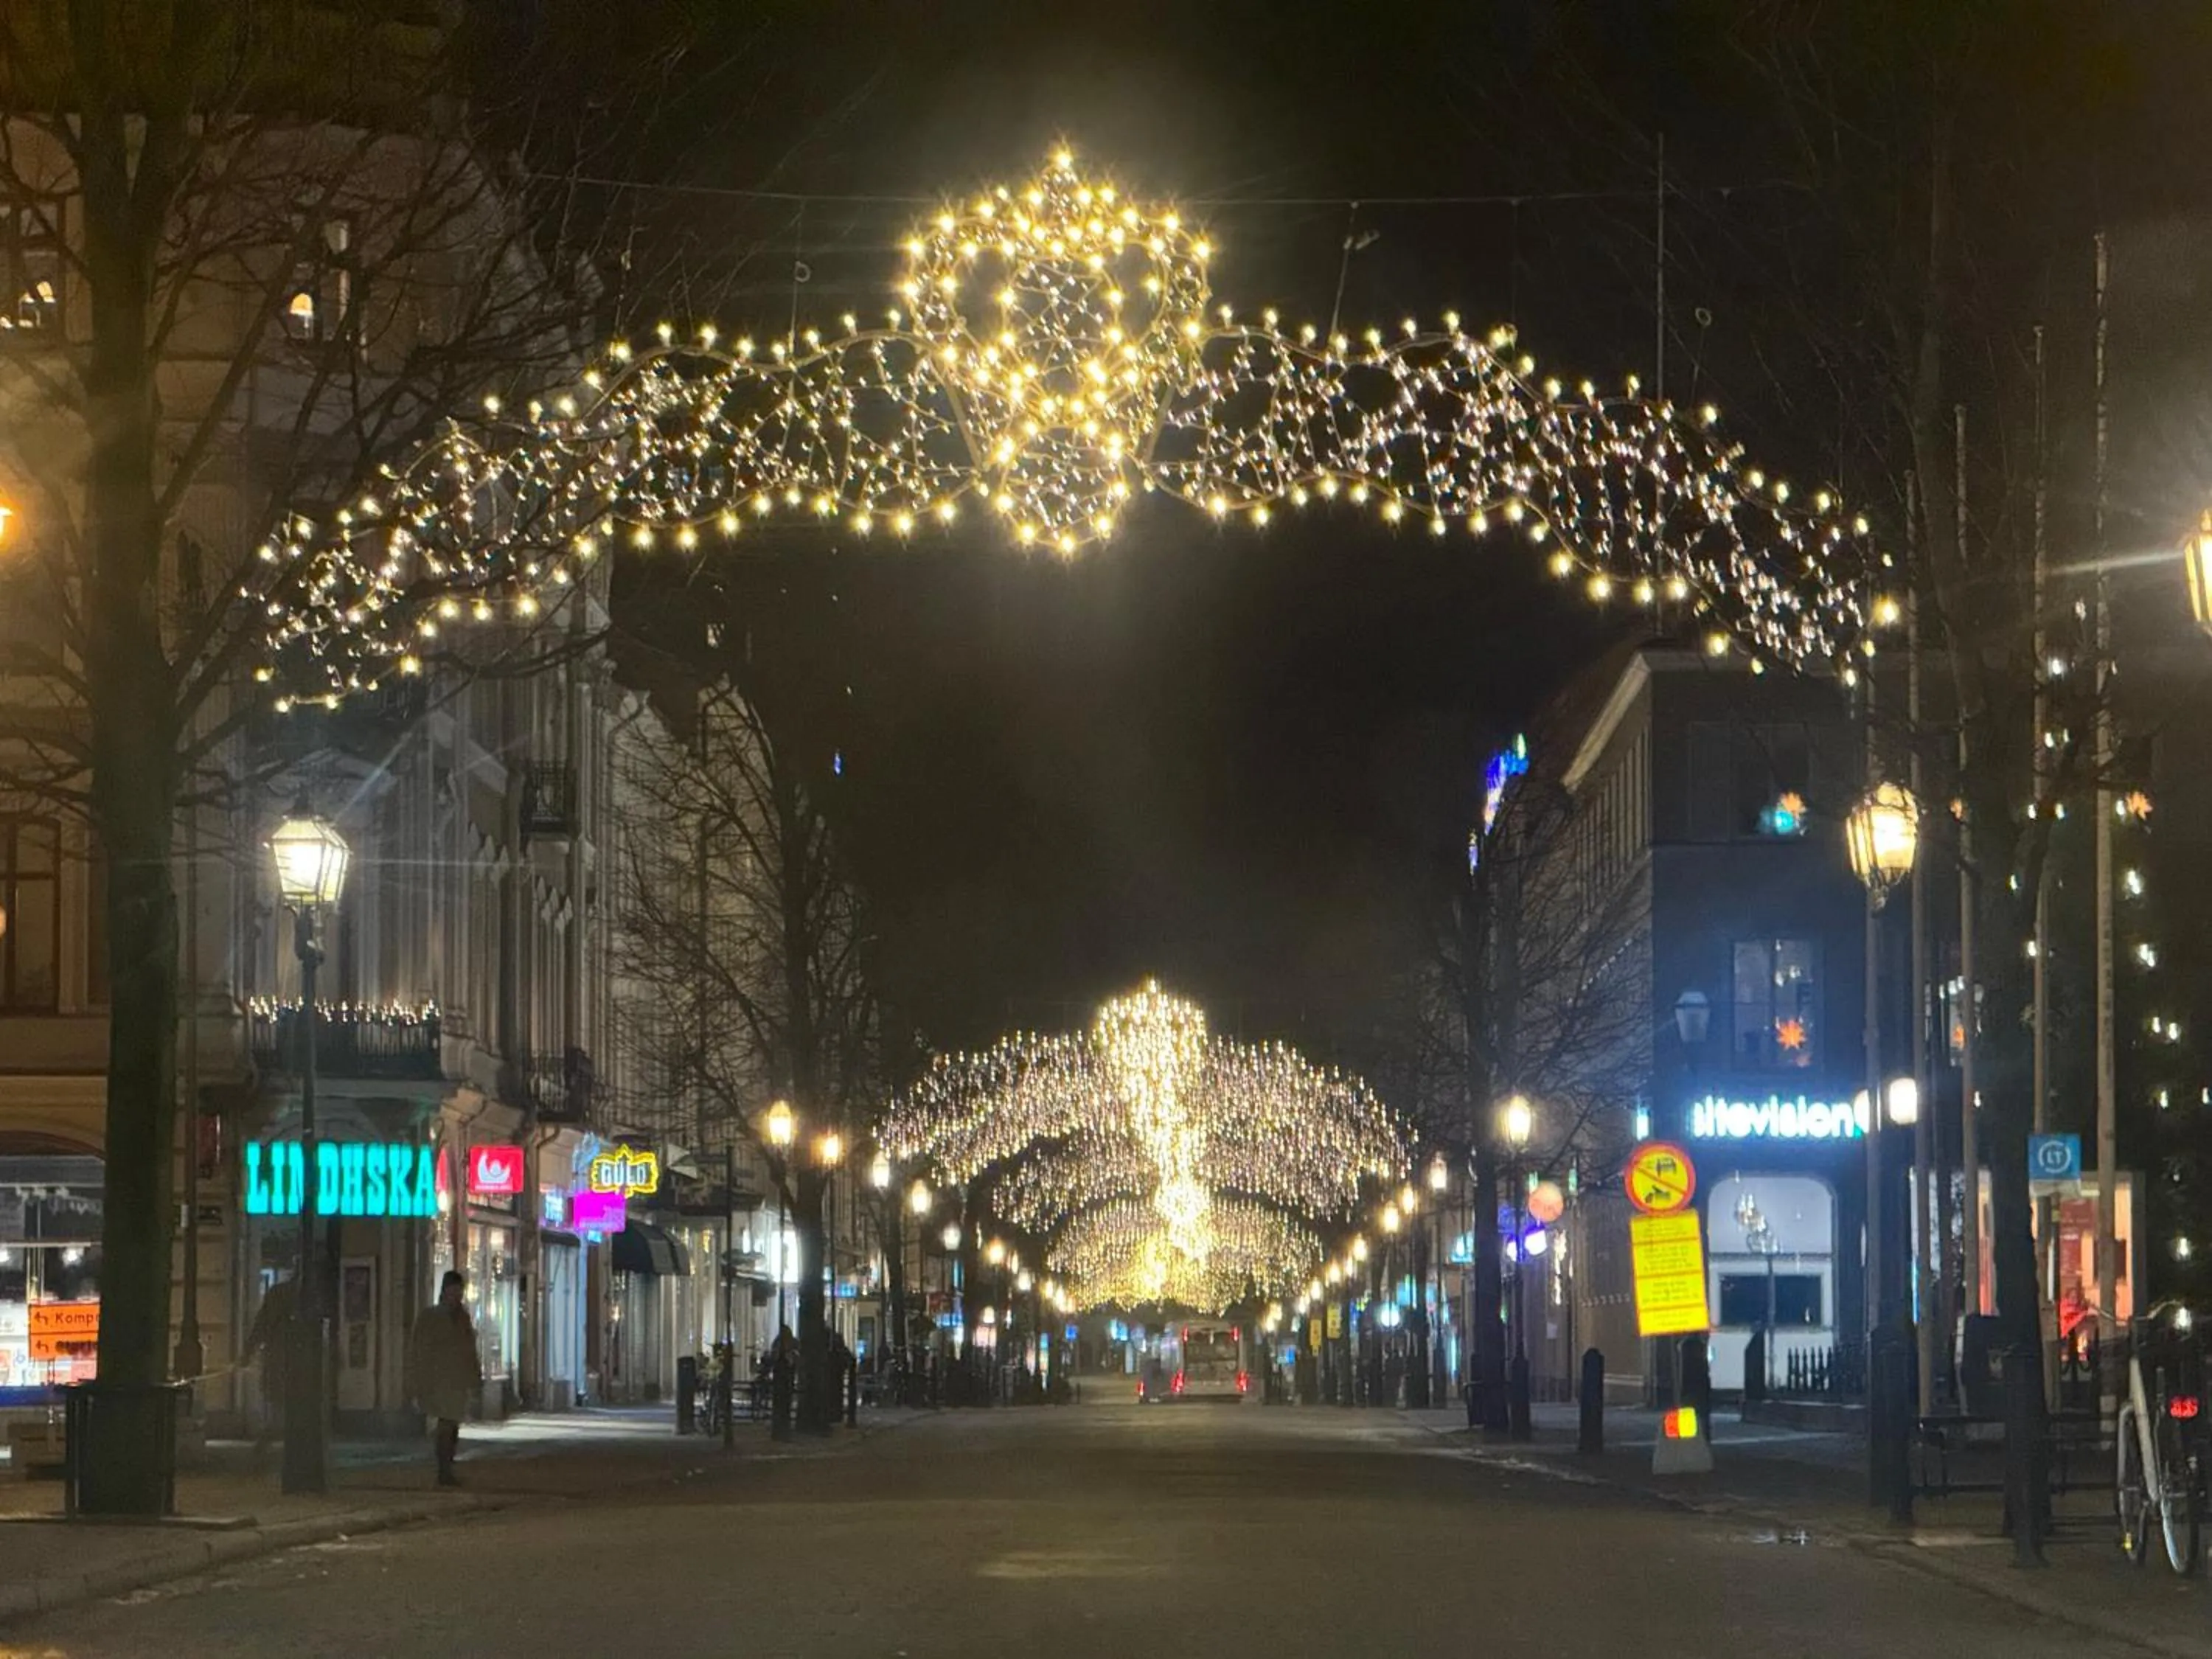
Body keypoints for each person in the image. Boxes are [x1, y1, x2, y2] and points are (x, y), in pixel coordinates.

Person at [405, 1270, 481, 1486]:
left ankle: (447, 1467)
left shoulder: (462, 1318)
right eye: (454, 1290)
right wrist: (418, 1381)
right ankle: (444, 1470)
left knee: (452, 1424)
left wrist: (475, 1377)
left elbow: (469, 1349)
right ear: (445, 1291)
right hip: (438, 1380)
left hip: (456, 1380)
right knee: (446, 1424)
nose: (457, 1295)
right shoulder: (431, 1317)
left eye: (460, 1291)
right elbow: (419, 1350)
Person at [240, 1270, 297, 1453]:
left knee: (276, 1400)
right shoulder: (309, 1295)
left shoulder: (278, 1293)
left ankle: (271, 1435)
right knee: (285, 1400)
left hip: (278, 1356)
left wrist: (248, 1352)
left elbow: (261, 1325)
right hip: (295, 1359)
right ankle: (278, 1435)